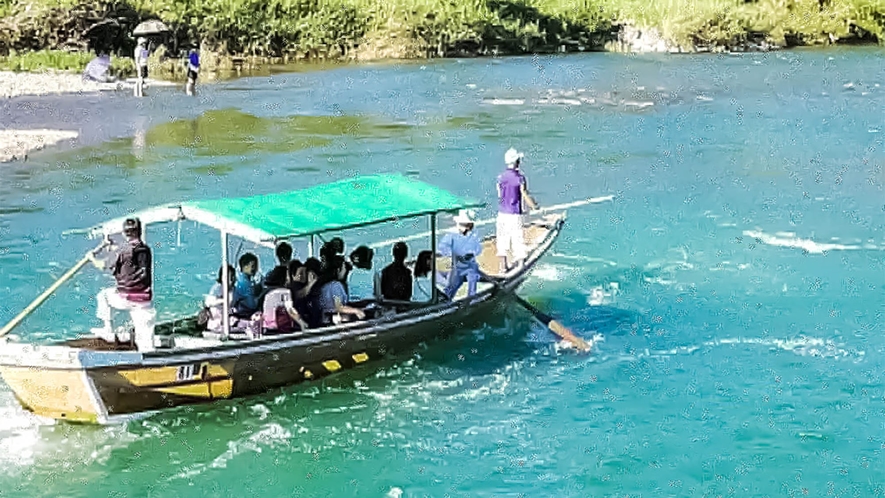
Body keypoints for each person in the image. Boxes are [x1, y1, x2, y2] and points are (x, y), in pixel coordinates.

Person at [89, 218, 157, 351]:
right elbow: (130, 254)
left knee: (103, 296)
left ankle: (108, 329)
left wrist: (92, 258)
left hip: (125, 299)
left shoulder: (121, 251)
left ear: (124, 233)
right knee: (147, 343)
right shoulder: (145, 249)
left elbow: (102, 265)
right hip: (144, 301)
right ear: (140, 232)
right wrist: (112, 247)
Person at [496, 147, 539, 273]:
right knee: (517, 238)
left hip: (502, 213)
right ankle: (520, 264)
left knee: (502, 239)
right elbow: (524, 194)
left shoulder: (500, 177)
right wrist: (534, 206)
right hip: (514, 213)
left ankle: (503, 267)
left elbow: (500, 195)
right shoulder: (520, 178)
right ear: (517, 162)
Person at [438, 209, 484, 299]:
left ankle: (471, 301)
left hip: (471, 267)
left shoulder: (474, 233)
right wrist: (453, 253)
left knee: (472, 286)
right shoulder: (452, 234)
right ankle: (446, 301)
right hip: (457, 268)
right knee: (451, 288)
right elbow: (442, 247)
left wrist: (471, 253)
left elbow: (478, 248)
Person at [311, 255, 365, 327]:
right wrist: (357, 311)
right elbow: (339, 307)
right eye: (344, 268)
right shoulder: (335, 286)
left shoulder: (324, 285)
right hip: (335, 322)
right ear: (338, 270)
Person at [232, 252, 262, 317]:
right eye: (253, 266)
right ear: (244, 267)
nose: (255, 269)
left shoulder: (239, 278)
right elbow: (252, 305)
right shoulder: (245, 283)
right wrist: (262, 294)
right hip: (244, 315)